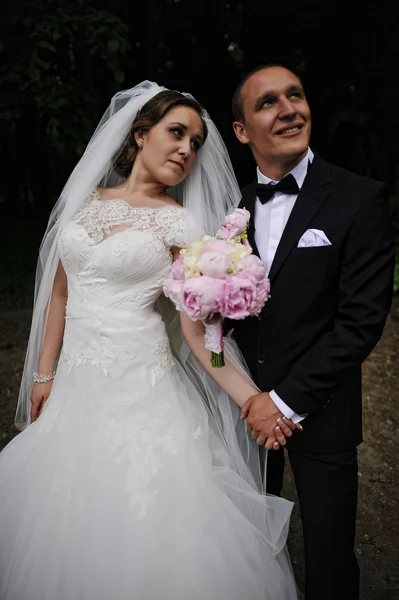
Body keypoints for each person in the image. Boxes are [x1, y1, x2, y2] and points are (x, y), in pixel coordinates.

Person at [0, 82, 299, 600]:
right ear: (140, 134)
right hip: (74, 388)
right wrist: (44, 374)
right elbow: (58, 298)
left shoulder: (181, 224)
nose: (187, 149)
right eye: (176, 133)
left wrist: (252, 399)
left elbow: (198, 332)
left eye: (197, 142)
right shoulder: (82, 204)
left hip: (142, 393)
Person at [229, 64, 395, 600]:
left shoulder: (359, 197)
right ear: (241, 130)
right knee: (243, 549)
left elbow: (361, 320)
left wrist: (283, 400)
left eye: (296, 95)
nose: (289, 109)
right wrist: (243, 393)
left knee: (328, 558)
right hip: (238, 413)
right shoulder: (224, 204)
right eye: (269, 102)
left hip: (319, 411)